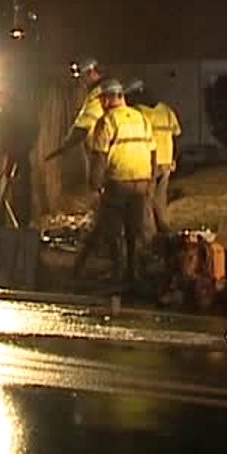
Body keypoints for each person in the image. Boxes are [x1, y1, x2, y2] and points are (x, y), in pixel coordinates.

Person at [75, 79, 155, 287]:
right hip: (141, 182)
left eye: (102, 99)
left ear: (110, 98)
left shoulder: (107, 121)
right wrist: (150, 181)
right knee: (134, 230)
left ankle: (118, 273)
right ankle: (134, 274)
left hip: (119, 182)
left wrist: (95, 185)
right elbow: (152, 151)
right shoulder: (141, 118)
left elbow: (100, 157)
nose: (101, 103)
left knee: (111, 229)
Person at [127, 79, 183, 234]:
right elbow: (176, 136)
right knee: (160, 200)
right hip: (166, 163)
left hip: (149, 163)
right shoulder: (166, 110)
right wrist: (174, 159)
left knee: (145, 201)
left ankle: (151, 236)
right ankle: (166, 232)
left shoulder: (139, 112)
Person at [42, 58, 107, 163]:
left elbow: (84, 124)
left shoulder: (98, 94)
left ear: (92, 73)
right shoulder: (104, 90)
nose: (83, 83)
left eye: (84, 77)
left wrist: (66, 144)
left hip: (102, 150)